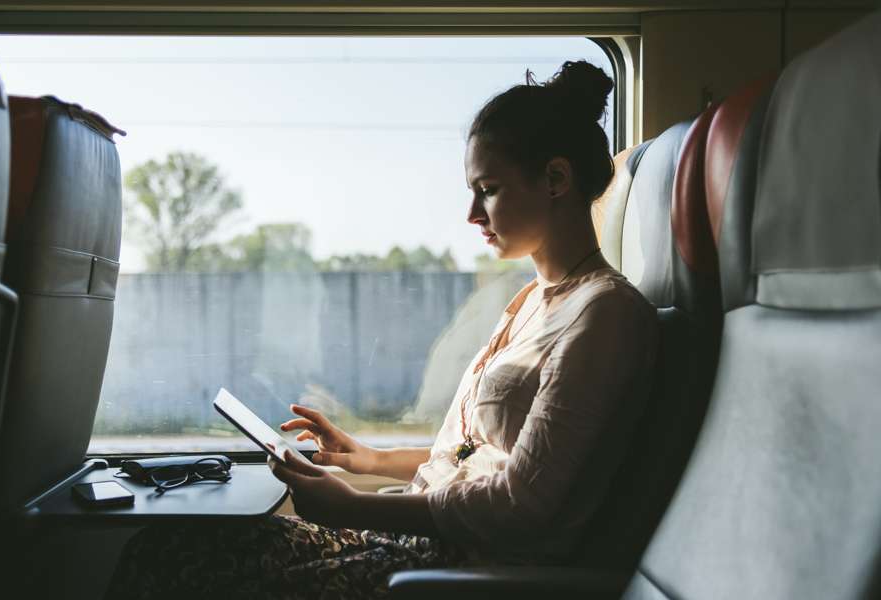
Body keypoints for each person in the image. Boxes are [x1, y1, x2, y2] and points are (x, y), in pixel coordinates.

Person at [105, 60, 658, 599]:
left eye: (487, 189)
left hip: (458, 564)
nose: (471, 213)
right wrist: (366, 459)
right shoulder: (531, 301)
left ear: (556, 179)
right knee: (170, 545)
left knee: (171, 567)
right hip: (415, 541)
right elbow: (471, 459)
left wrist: (355, 505)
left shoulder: (604, 315)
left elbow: (523, 505)